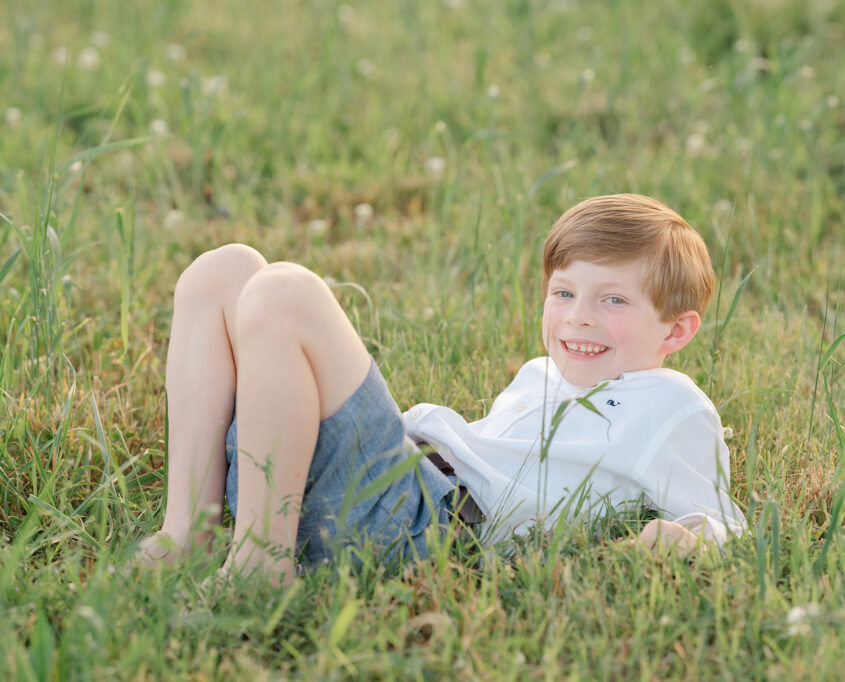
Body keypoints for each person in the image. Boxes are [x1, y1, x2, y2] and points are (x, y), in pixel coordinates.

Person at [135, 193, 746, 584]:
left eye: (612, 300)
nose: (577, 317)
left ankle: (260, 566)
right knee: (224, 268)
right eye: (564, 293)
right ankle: (188, 530)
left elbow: (724, 520)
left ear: (677, 329)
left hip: (432, 528)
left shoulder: (672, 405)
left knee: (284, 292)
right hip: (370, 481)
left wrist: (685, 538)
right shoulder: (542, 376)